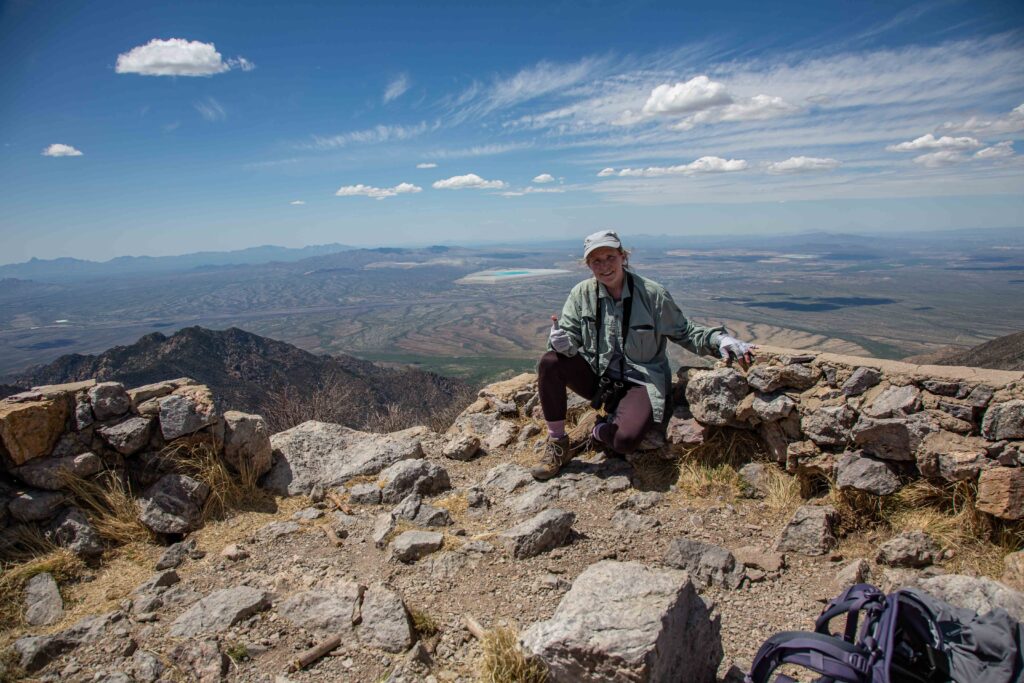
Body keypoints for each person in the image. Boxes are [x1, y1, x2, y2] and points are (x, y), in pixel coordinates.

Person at [532, 229, 755, 480]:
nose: (605, 266)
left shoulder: (651, 294)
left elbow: (685, 331)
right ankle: (558, 444)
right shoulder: (582, 294)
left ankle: (597, 430)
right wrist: (562, 343)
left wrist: (719, 339)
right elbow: (571, 336)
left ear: (623, 256)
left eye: (610, 257)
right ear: (588, 265)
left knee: (624, 440)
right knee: (550, 361)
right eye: (596, 261)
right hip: (600, 379)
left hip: (640, 382)